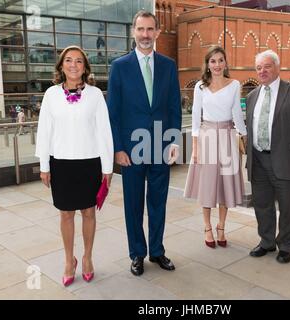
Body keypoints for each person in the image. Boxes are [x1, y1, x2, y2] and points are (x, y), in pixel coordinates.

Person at [107, 10, 181, 276]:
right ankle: (137, 253)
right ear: (133, 32)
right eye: (141, 29)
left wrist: (174, 140)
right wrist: (117, 148)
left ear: (157, 32)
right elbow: (113, 112)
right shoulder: (120, 67)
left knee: (158, 202)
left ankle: (157, 251)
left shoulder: (168, 65)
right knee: (134, 204)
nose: (145, 35)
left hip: (160, 145)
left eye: (150, 29)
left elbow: (174, 107)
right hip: (131, 149)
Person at [35, 45, 114, 286]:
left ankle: (87, 257)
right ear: (61, 66)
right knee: (66, 214)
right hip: (61, 164)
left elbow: (104, 131)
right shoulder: (50, 95)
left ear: (84, 67)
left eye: (78, 61)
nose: (73, 65)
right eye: (68, 60)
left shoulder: (95, 95)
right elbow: (44, 131)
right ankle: (69, 260)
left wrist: (107, 168)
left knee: (88, 213)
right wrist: (44, 165)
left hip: (90, 163)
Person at [245, 50, 290, 264]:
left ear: (277, 67)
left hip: (286, 161)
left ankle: (286, 245)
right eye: (258, 68)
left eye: (266, 66)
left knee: (287, 207)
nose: (262, 71)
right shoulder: (251, 96)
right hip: (258, 160)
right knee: (262, 205)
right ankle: (266, 241)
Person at [184, 46, 247, 248]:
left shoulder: (235, 84)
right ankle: (207, 227)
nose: (217, 65)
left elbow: (237, 113)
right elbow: (195, 119)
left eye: (221, 60)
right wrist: (195, 148)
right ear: (208, 64)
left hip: (228, 137)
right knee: (208, 186)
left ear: (225, 63)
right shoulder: (200, 87)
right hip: (207, 137)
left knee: (225, 185)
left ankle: (221, 226)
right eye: (213, 61)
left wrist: (245, 136)